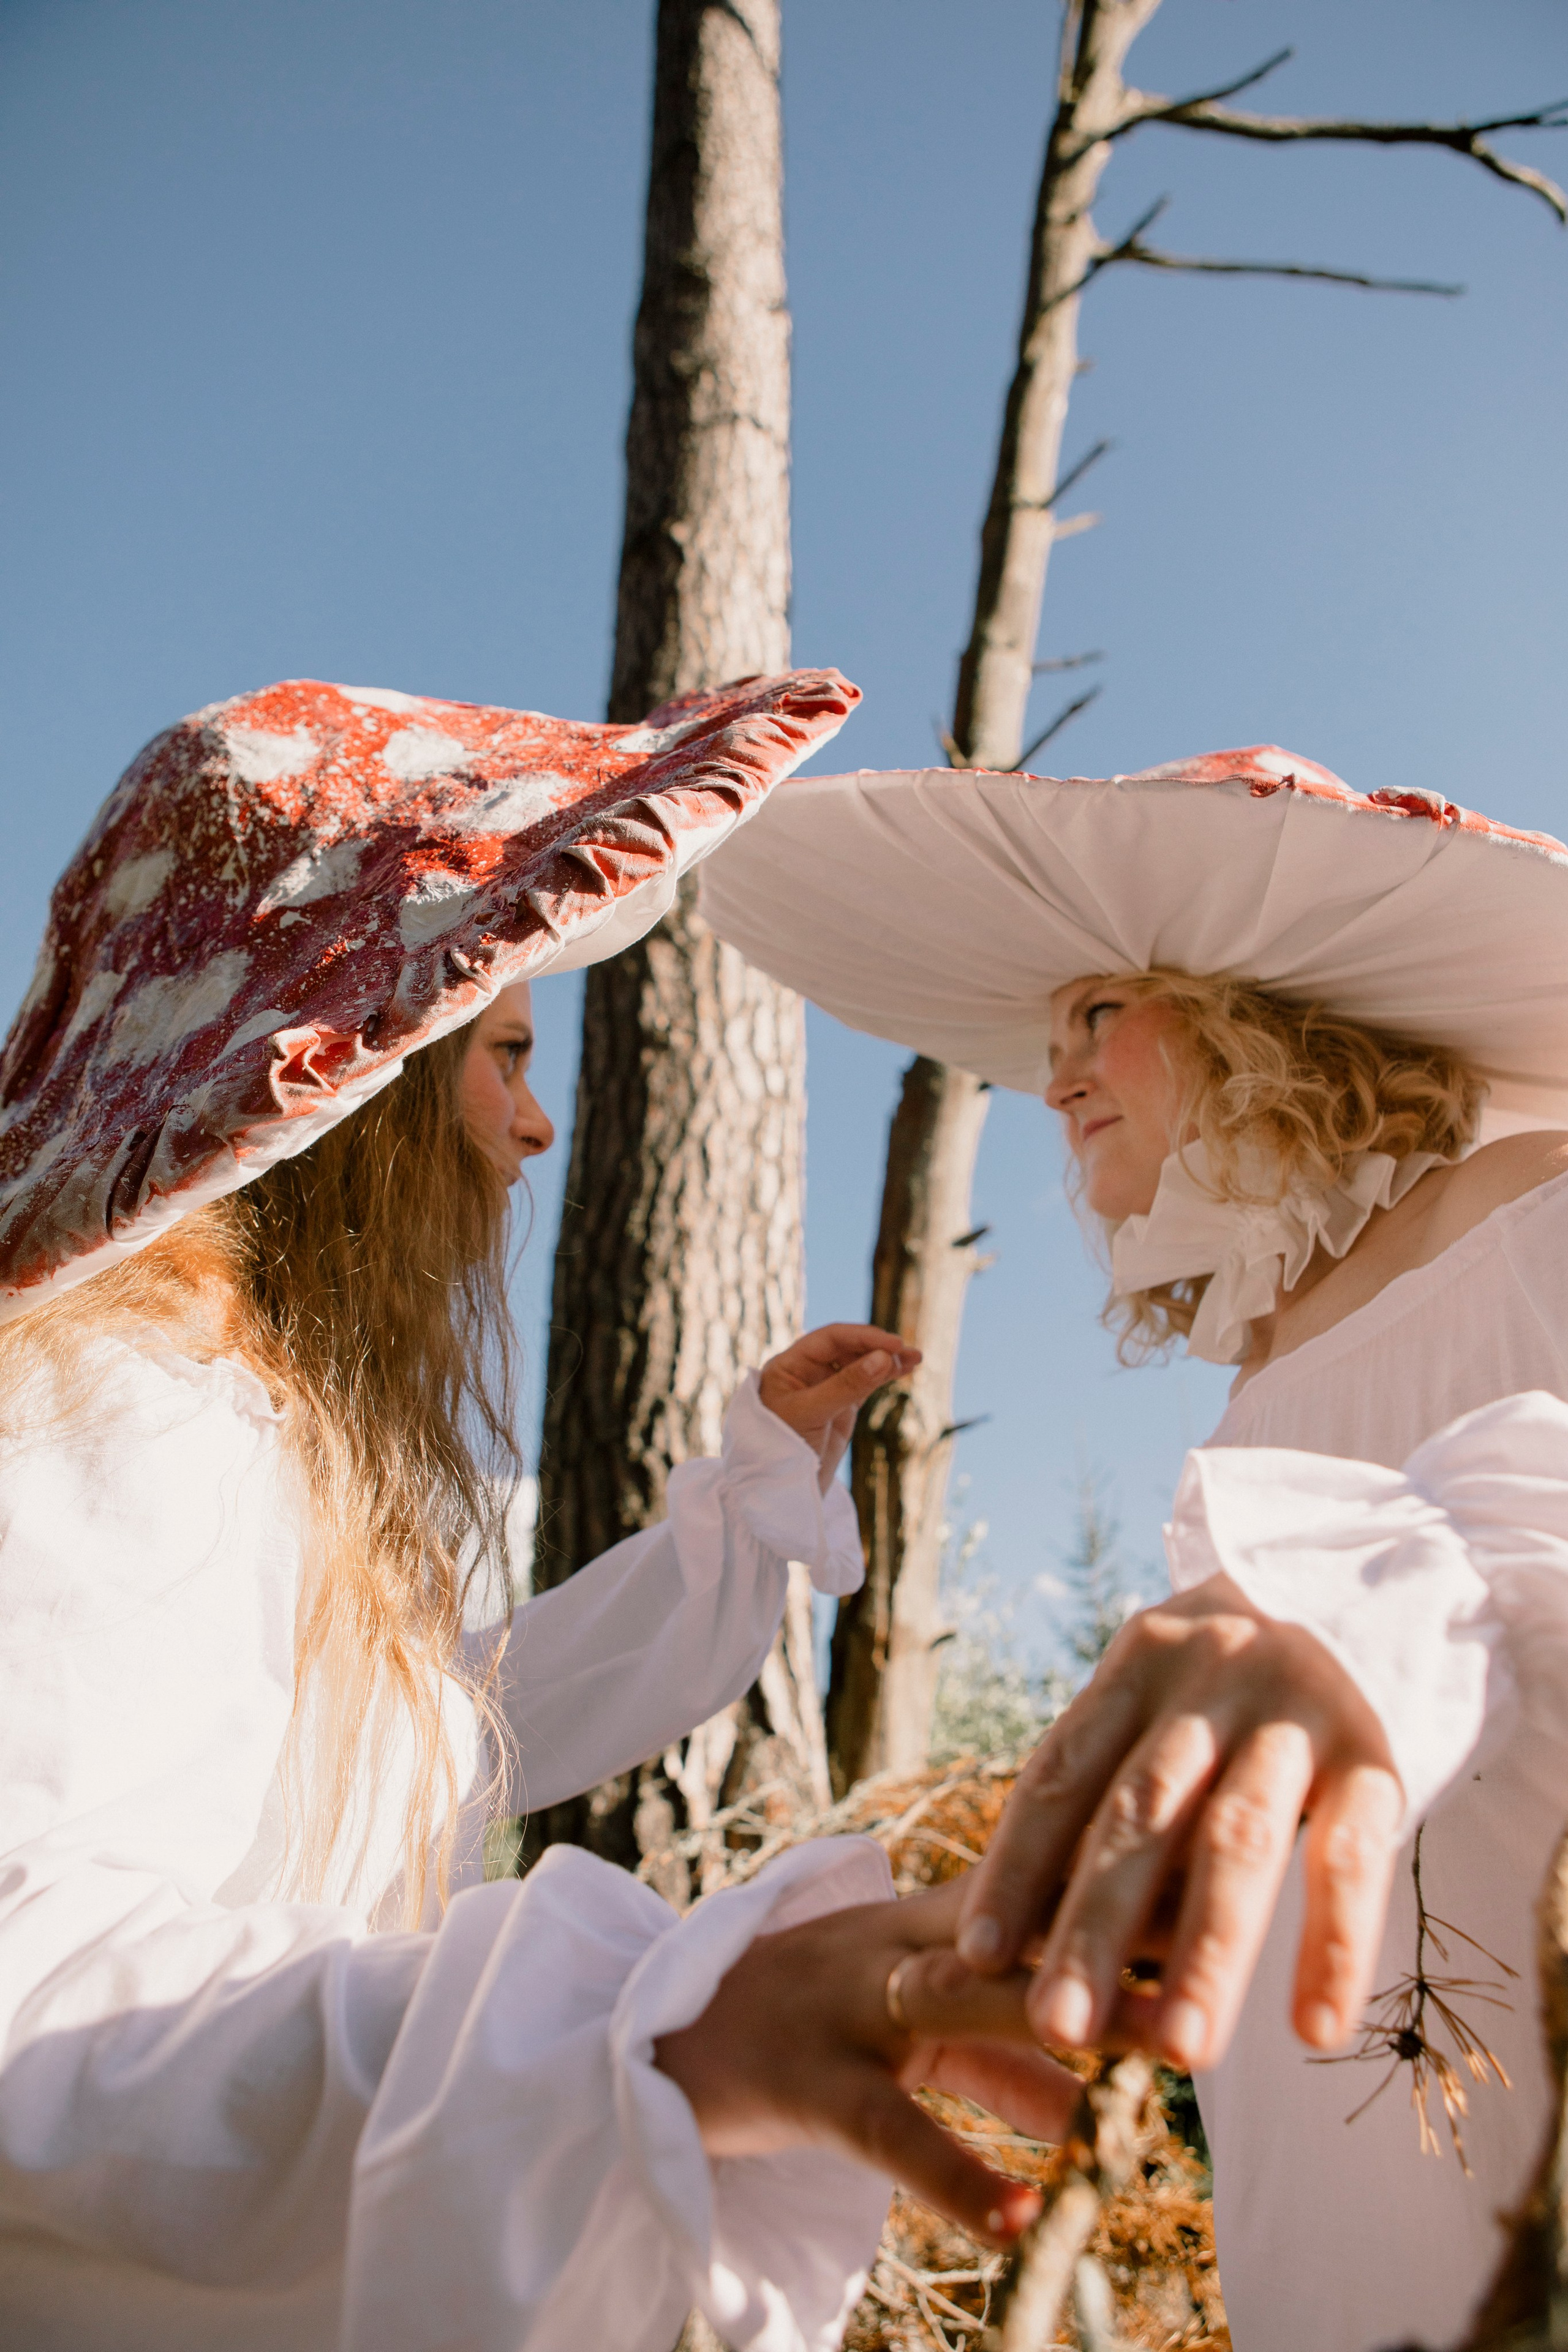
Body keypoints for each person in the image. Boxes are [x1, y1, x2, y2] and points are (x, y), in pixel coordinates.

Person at [0, 674, 1083, 2352]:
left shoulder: (257, 1437)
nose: (537, 1121)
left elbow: (469, 1717)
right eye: (504, 1050)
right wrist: (616, 2046)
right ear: (348, 1061)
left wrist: (746, 1497)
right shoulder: (117, 1406)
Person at [700, 739, 1568, 2350]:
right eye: (1044, 1044)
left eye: (1099, 1014)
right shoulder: (1252, 1395)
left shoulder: (1530, 1205)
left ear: (1263, 1008)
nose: (1058, 1077)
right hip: (1321, 2124)